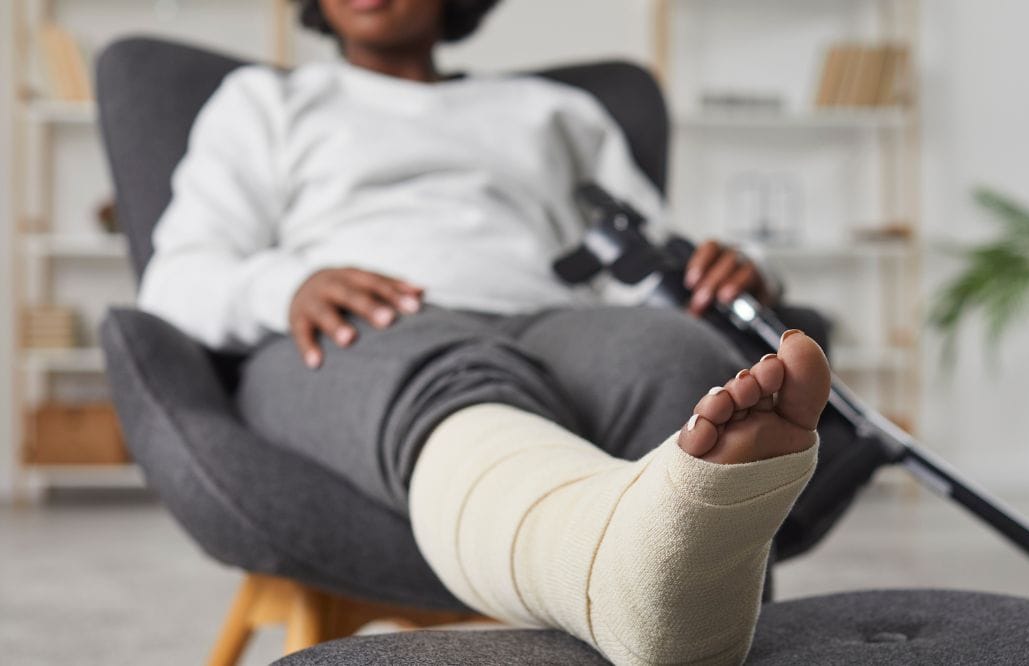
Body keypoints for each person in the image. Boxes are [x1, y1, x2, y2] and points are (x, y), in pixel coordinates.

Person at [138, 1, 873, 663]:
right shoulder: (266, 103)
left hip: (549, 318)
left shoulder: (551, 112)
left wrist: (730, 274)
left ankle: (671, 589)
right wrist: (289, 286)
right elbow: (176, 277)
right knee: (437, 369)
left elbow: (641, 258)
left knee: (674, 360)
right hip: (357, 328)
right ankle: (622, 580)